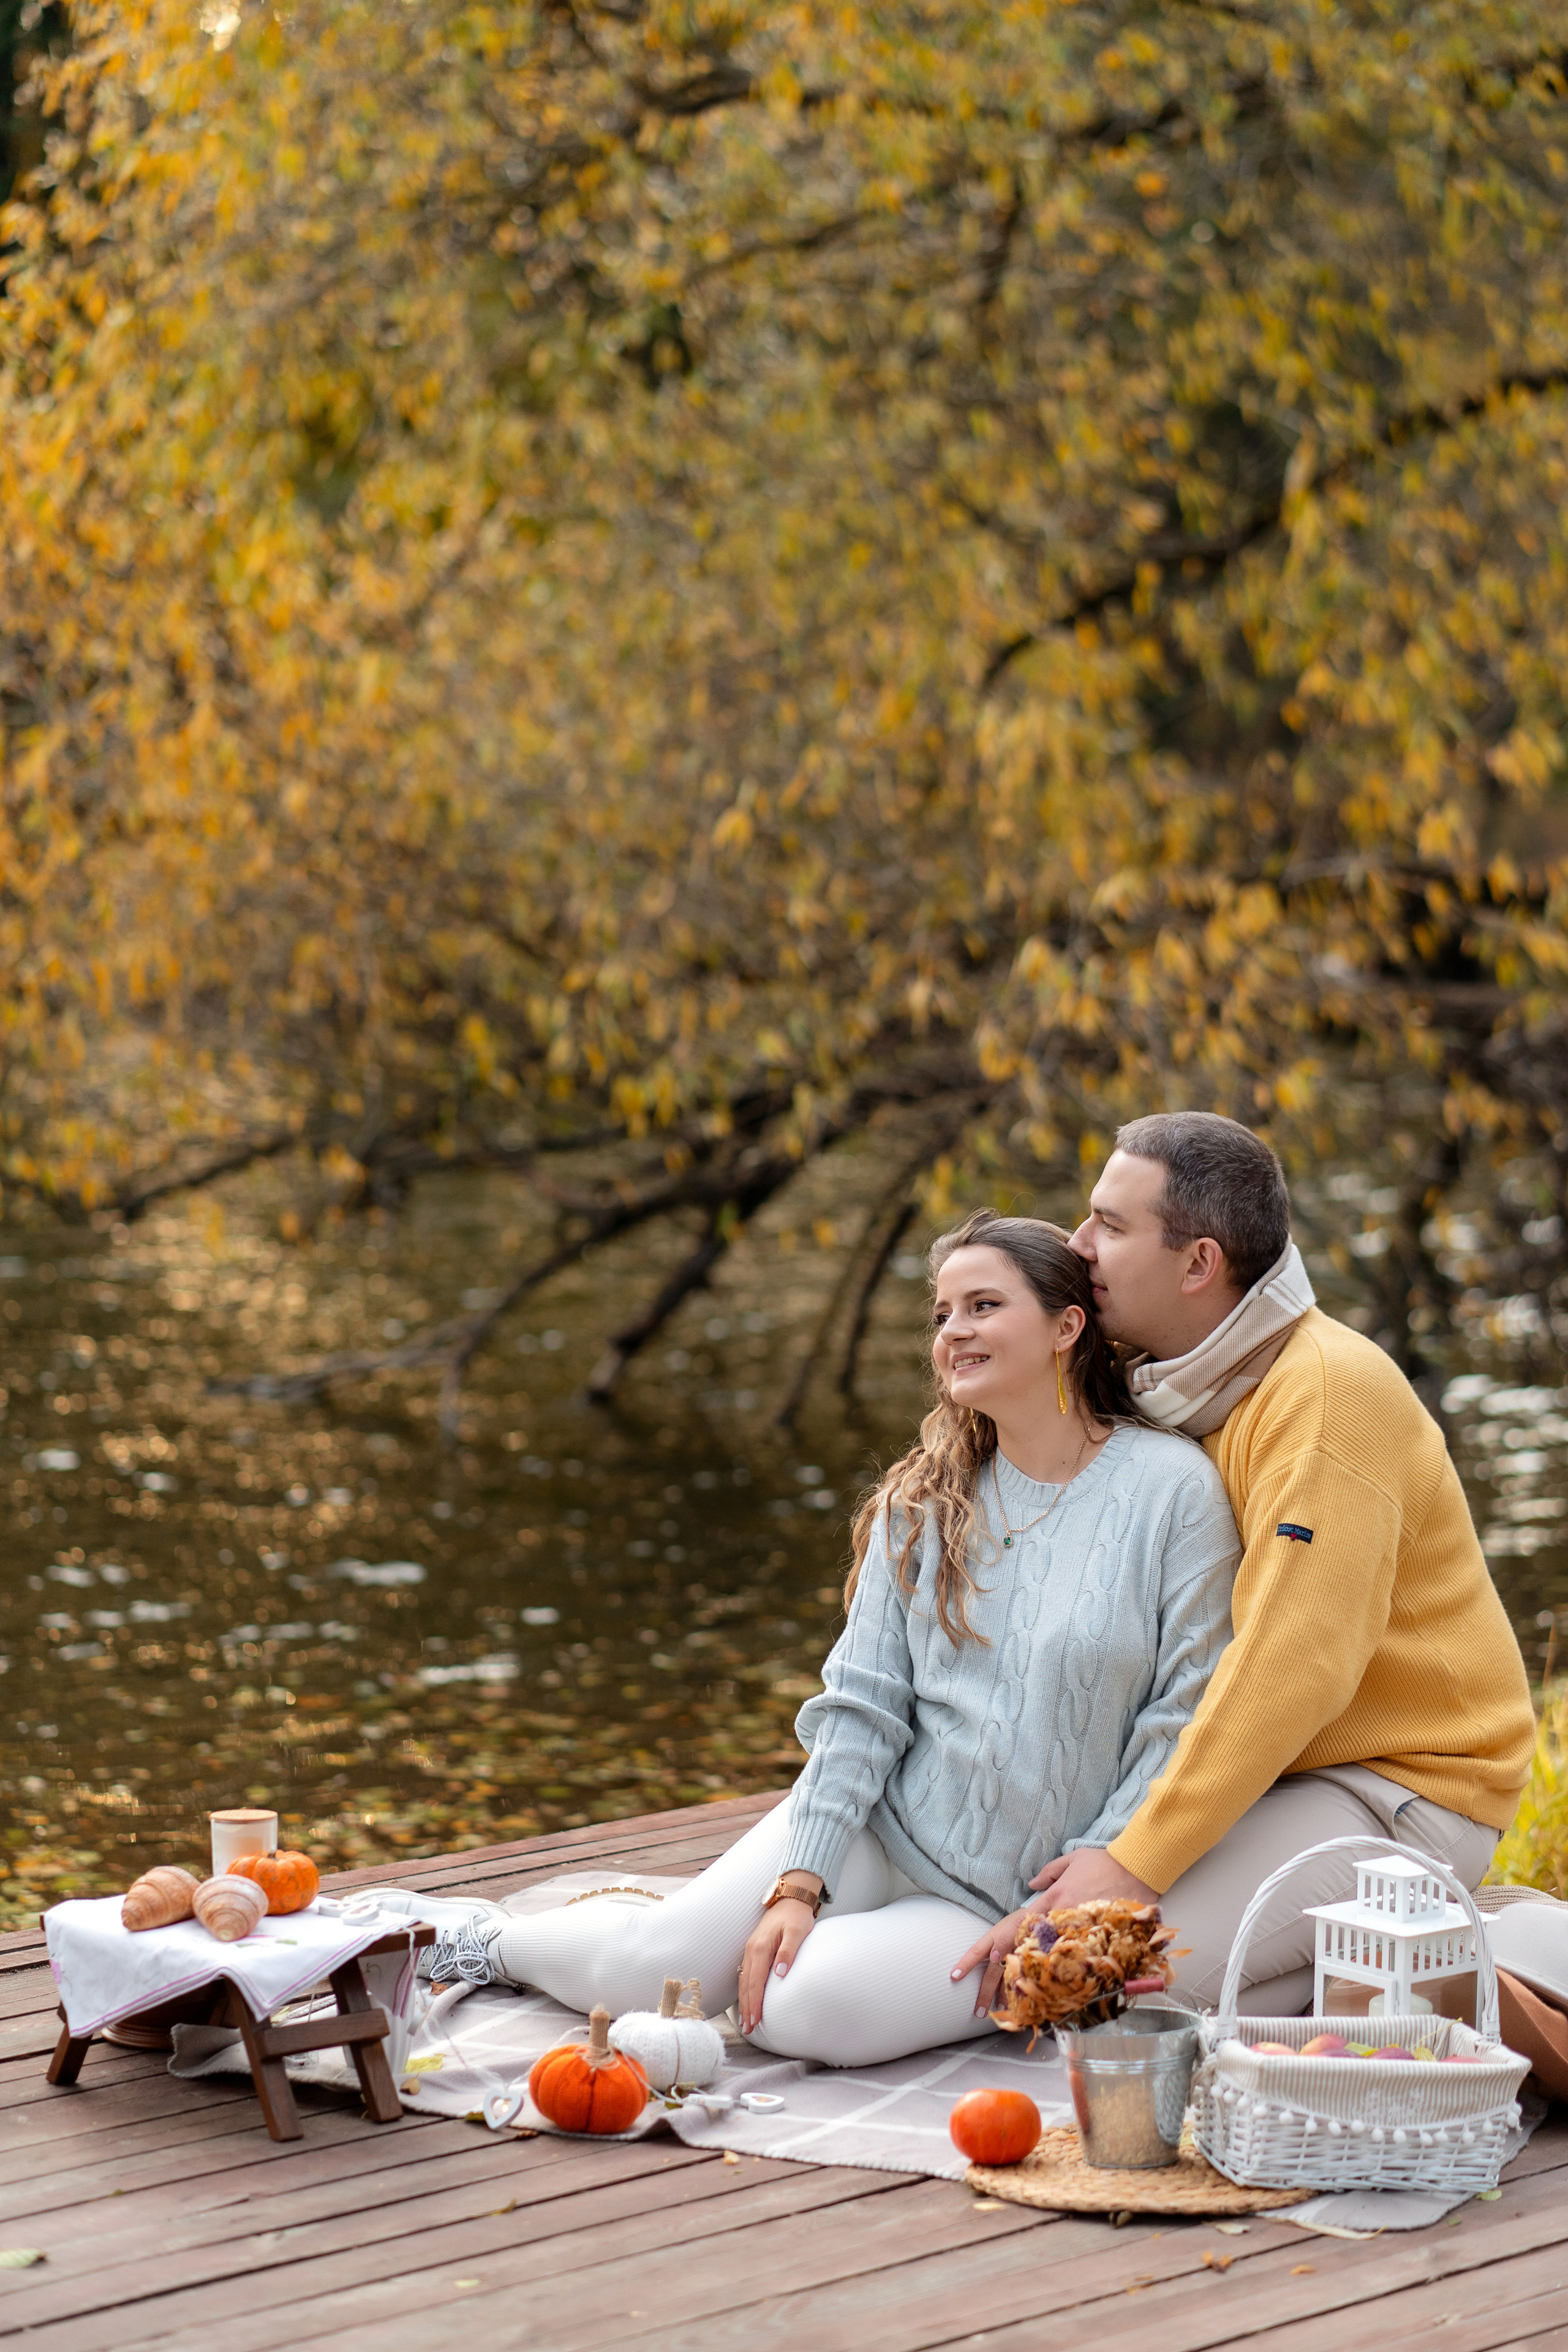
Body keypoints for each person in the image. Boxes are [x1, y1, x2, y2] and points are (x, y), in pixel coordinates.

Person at [420, 1211, 1242, 2065]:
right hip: (878, 1827)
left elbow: (1182, 1716)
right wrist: (799, 1884)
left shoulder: (1172, 1493)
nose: (954, 1332)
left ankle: (703, 1946)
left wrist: (1080, 1897)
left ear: (1067, 1326)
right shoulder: (926, 1501)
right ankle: (491, 1941)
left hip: (1003, 1892)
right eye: (942, 1314)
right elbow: (863, 1708)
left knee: (795, 2012)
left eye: (983, 1306)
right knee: (653, 1972)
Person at [987, 1110, 1536, 2015]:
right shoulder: (1178, 1383)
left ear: (1198, 1265)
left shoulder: (1325, 1399)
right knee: (1055, 1945)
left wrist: (1131, 1861)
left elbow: (1290, 1671)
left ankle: (1436, 1956)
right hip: (1274, 1774)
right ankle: (1359, 1963)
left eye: (1112, 1228)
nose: (1079, 1248)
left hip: (1399, 1789)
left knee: (1096, 1985)